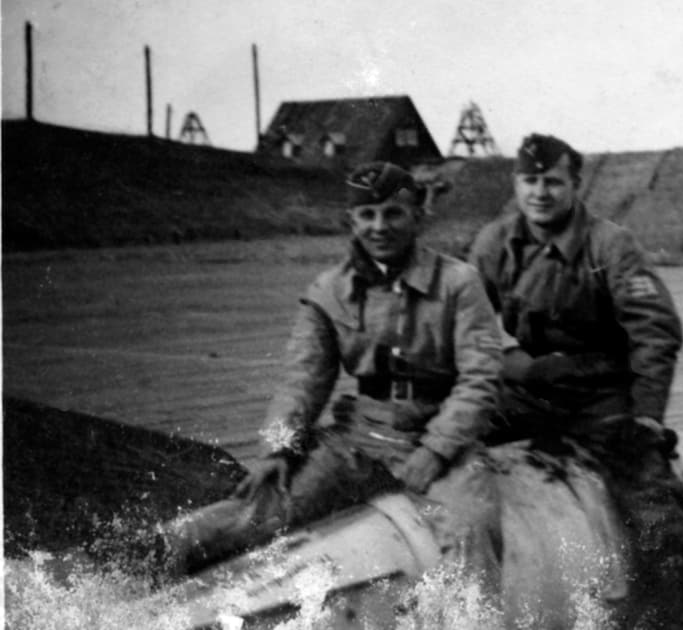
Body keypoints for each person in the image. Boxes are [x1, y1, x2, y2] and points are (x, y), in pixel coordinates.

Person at [160, 161, 503, 576]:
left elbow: (479, 379)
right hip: (360, 438)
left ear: (417, 215)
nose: (380, 226)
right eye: (367, 215)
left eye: (393, 213)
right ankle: (154, 557)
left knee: (471, 529)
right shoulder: (330, 291)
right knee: (264, 508)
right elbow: (302, 381)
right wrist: (277, 448)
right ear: (351, 221)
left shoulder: (459, 284)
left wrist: (435, 451)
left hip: (441, 440)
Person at [467, 133, 683, 629]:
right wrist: (512, 364)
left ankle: (672, 618)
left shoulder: (611, 245)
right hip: (526, 392)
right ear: (516, 183)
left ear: (575, 184)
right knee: (437, 442)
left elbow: (655, 331)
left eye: (553, 181)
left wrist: (647, 417)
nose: (540, 193)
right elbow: (467, 321)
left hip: (600, 400)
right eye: (530, 181)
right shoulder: (494, 244)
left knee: (653, 506)